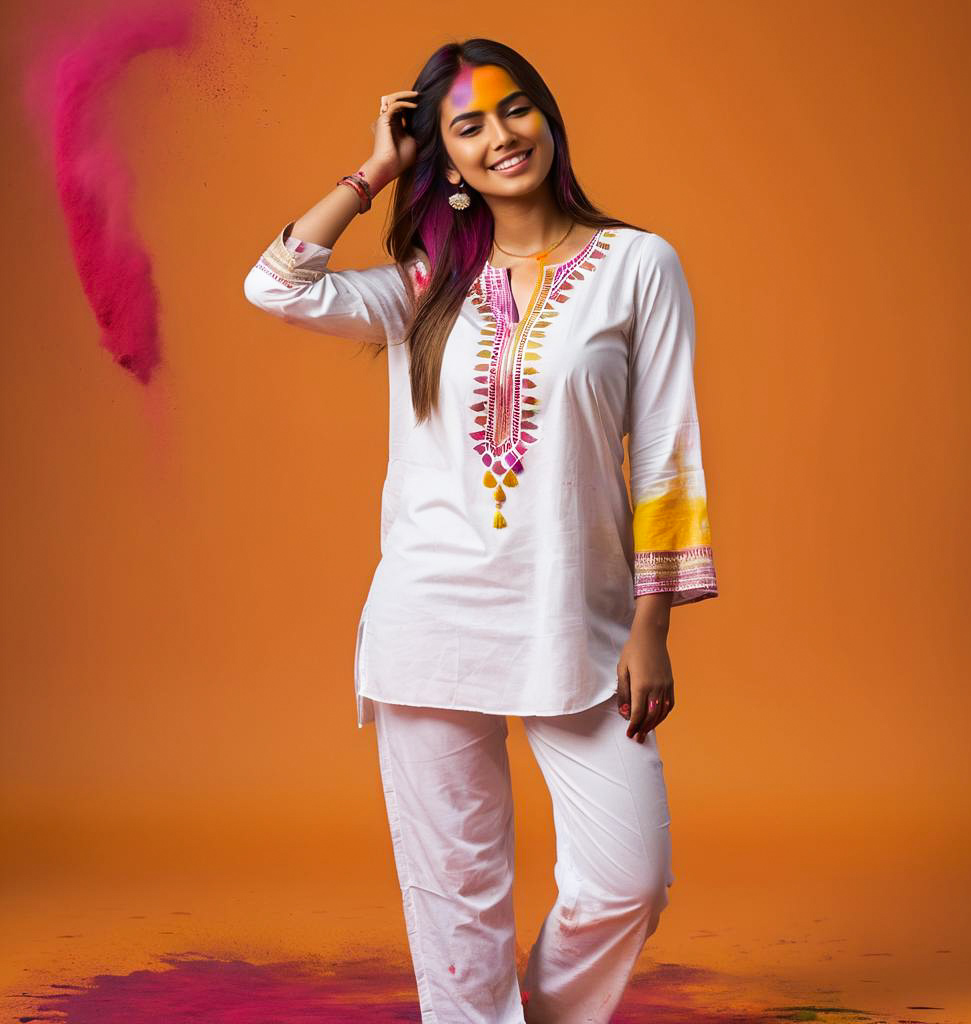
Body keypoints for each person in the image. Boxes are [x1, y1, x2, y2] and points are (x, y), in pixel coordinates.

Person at [244, 37, 719, 1024]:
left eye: (515, 109)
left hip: (574, 626)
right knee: (455, 899)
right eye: (467, 125)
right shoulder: (424, 287)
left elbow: (669, 455)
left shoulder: (637, 265)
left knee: (626, 876)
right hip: (429, 628)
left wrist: (652, 626)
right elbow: (277, 285)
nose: (501, 136)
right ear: (443, 159)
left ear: (547, 114)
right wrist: (372, 171)